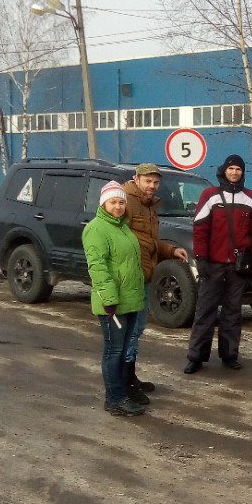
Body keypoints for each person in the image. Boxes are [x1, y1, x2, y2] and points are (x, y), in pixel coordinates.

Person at [185, 154, 252, 374]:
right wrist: (200, 258)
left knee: (232, 313)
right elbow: (200, 229)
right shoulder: (209, 195)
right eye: (231, 169)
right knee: (205, 312)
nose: (234, 173)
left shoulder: (251, 198)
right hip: (213, 265)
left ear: (242, 173)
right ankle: (196, 357)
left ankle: (229, 355)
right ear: (224, 170)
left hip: (238, 267)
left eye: (238, 169)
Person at [122, 162, 190, 405]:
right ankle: (125, 384)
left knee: (137, 329)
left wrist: (171, 250)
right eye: (148, 181)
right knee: (129, 331)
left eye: (155, 182)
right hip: (130, 277)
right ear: (136, 179)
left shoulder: (148, 205)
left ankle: (130, 377)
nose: (152, 186)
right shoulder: (126, 202)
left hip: (145, 275)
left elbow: (148, 241)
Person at [82, 181, 147, 417]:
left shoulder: (122, 227)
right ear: (103, 204)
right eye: (113, 202)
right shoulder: (96, 229)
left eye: (121, 202)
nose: (118, 206)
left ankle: (121, 394)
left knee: (122, 350)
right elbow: (97, 267)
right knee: (114, 351)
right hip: (113, 304)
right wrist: (109, 299)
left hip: (130, 300)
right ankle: (115, 399)